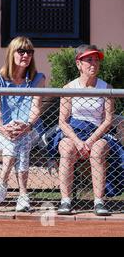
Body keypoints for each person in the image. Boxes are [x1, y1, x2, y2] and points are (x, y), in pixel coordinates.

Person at [56, 45, 116, 216]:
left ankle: (99, 202)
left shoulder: (106, 88)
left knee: (97, 151)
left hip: (98, 133)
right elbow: (62, 121)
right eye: (89, 60)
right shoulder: (69, 88)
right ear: (78, 64)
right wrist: (77, 141)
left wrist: (89, 141)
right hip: (74, 132)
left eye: (96, 60)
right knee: (66, 149)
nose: (93, 64)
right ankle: (65, 201)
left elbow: (108, 120)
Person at [0, 36, 45, 212]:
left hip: (29, 130)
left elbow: (36, 109)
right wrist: (5, 130)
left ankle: (2, 183)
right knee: (17, 142)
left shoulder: (37, 79)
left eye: (29, 52)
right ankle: (23, 195)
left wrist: (26, 126)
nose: (26, 55)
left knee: (22, 139)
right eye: (21, 51)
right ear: (11, 53)